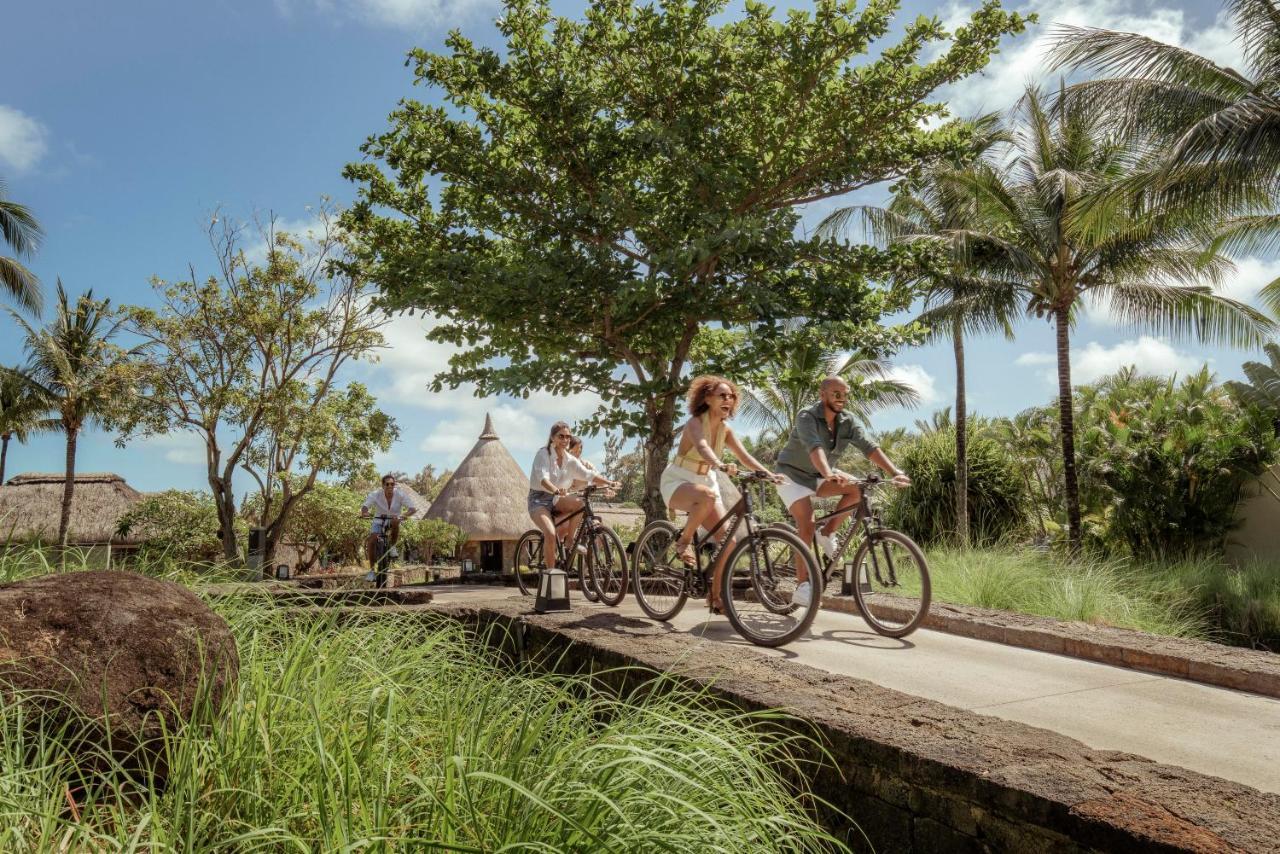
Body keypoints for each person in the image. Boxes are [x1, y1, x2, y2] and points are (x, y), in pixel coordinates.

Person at [775, 375, 911, 606]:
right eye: (837, 394)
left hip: (821, 474)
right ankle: (802, 586)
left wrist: (894, 472)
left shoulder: (848, 420)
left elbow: (869, 447)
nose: (842, 399)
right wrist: (828, 473)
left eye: (846, 394)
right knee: (806, 524)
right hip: (791, 476)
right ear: (823, 394)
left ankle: (827, 532)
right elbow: (814, 448)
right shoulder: (806, 416)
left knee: (859, 489)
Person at [660, 375, 781, 614]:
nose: (728, 399)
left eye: (731, 396)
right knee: (707, 496)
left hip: (706, 482)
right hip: (679, 480)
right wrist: (719, 463)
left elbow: (745, 456)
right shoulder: (695, 423)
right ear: (707, 398)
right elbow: (703, 447)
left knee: (729, 542)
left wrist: (769, 474)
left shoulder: (726, 430)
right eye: (722, 395)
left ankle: (715, 597)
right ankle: (684, 543)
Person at [527, 422, 619, 573]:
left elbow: (588, 474)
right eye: (561, 436)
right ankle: (552, 576)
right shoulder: (543, 454)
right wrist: (556, 490)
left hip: (557, 498)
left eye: (568, 437)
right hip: (539, 500)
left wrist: (609, 482)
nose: (565, 440)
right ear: (552, 438)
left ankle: (570, 541)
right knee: (550, 533)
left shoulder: (570, 459)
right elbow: (543, 479)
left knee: (581, 504)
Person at [361, 473, 418, 572]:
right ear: (383, 485)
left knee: (395, 521)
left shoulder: (400, 494)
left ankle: (392, 546)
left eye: (392, 484)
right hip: (378, 520)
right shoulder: (375, 494)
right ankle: (371, 570)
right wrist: (365, 512)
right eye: (387, 484)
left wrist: (403, 516)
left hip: (394, 520)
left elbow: (412, 509)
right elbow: (365, 506)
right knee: (372, 540)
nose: (390, 486)